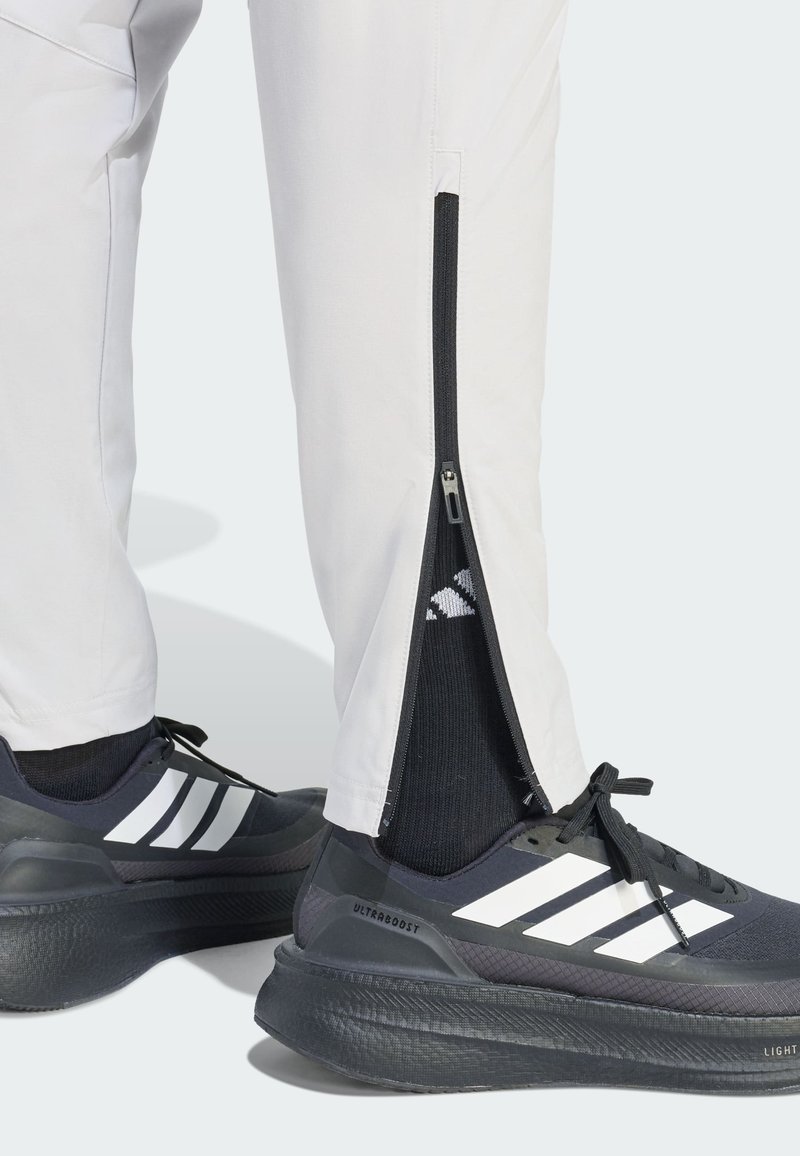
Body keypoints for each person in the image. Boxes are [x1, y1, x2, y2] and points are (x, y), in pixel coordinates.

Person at [1, 0, 799, 1093]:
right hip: (450, 850)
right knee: (415, 35)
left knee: (48, 46)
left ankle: (50, 761)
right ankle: (455, 822)